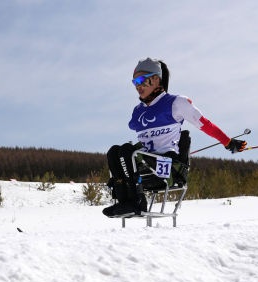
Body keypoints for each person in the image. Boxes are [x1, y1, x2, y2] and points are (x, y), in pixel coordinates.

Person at [103, 58, 247, 217]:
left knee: (125, 151)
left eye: (141, 80)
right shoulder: (138, 111)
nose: (138, 86)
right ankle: (124, 202)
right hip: (145, 163)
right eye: (134, 82)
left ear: (156, 79)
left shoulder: (176, 103)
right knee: (114, 152)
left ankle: (137, 202)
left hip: (167, 165)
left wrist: (228, 142)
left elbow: (204, 124)